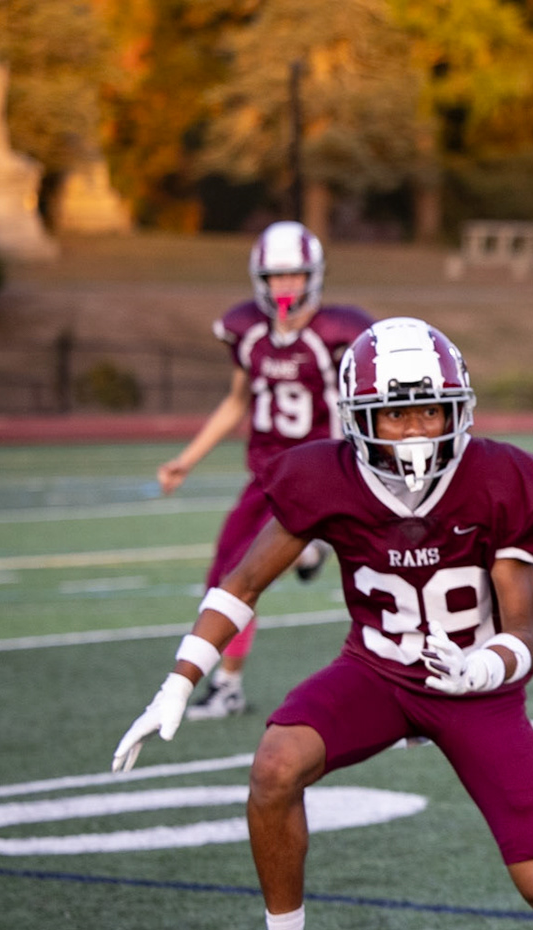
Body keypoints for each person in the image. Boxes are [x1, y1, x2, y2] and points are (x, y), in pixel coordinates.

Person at [112, 317, 533, 930]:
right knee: (275, 765)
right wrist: (178, 681)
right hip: (376, 670)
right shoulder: (324, 477)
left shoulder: (502, 480)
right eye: (396, 413)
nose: (418, 429)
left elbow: (526, 634)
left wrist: (479, 669)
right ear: (360, 419)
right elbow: (242, 582)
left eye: (431, 408)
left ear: (459, 406)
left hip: (475, 690)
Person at [155, 221, 373, 719]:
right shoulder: (248, 332)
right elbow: (237, 402)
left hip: (332, 470)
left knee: (388, 569)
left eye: (295, 275)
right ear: (260, 278)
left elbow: (358, 407)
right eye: (276, 277)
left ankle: (421, 690)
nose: (286, 287)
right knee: (229, 573)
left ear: (314, 275)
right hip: (271, 477)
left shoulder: (338, 333)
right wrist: (186, 460)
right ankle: (227, 684)